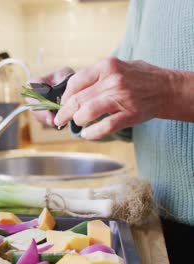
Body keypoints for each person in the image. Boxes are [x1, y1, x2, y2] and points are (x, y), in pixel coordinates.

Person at [28, 1, 194, 262]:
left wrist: (172, 90)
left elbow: (157, 91)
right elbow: (134, 110)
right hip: (153, 219)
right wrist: (76, 97)